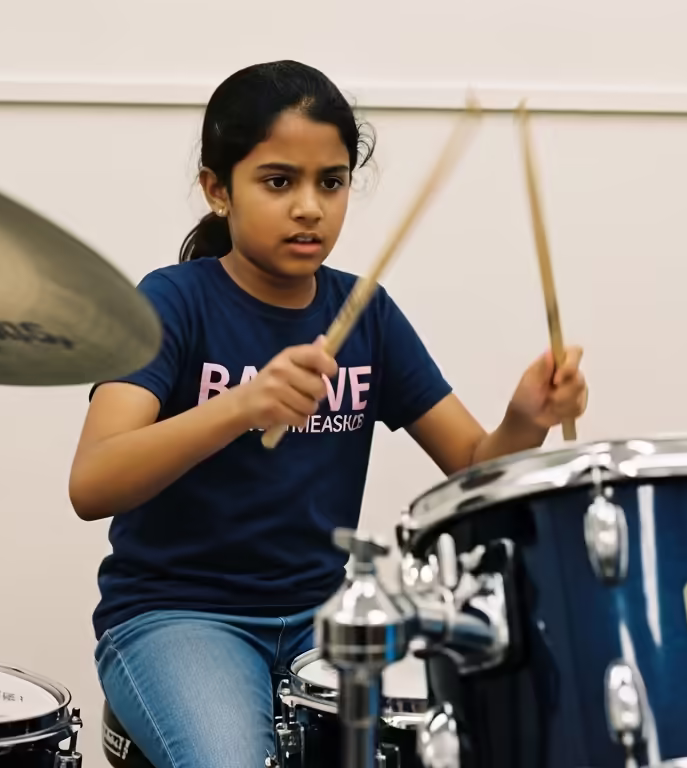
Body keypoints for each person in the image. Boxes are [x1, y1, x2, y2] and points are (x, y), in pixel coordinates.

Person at [68, 60, 588, 768]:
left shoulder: (363, 313)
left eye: (331, 182)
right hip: (178, 615)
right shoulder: (172, 302)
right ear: (217, 190)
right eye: (278, 181)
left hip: (327, 620)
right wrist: (242, 405)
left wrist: (524, 419)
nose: (310, 207)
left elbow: (472, 467)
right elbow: (93, 483)